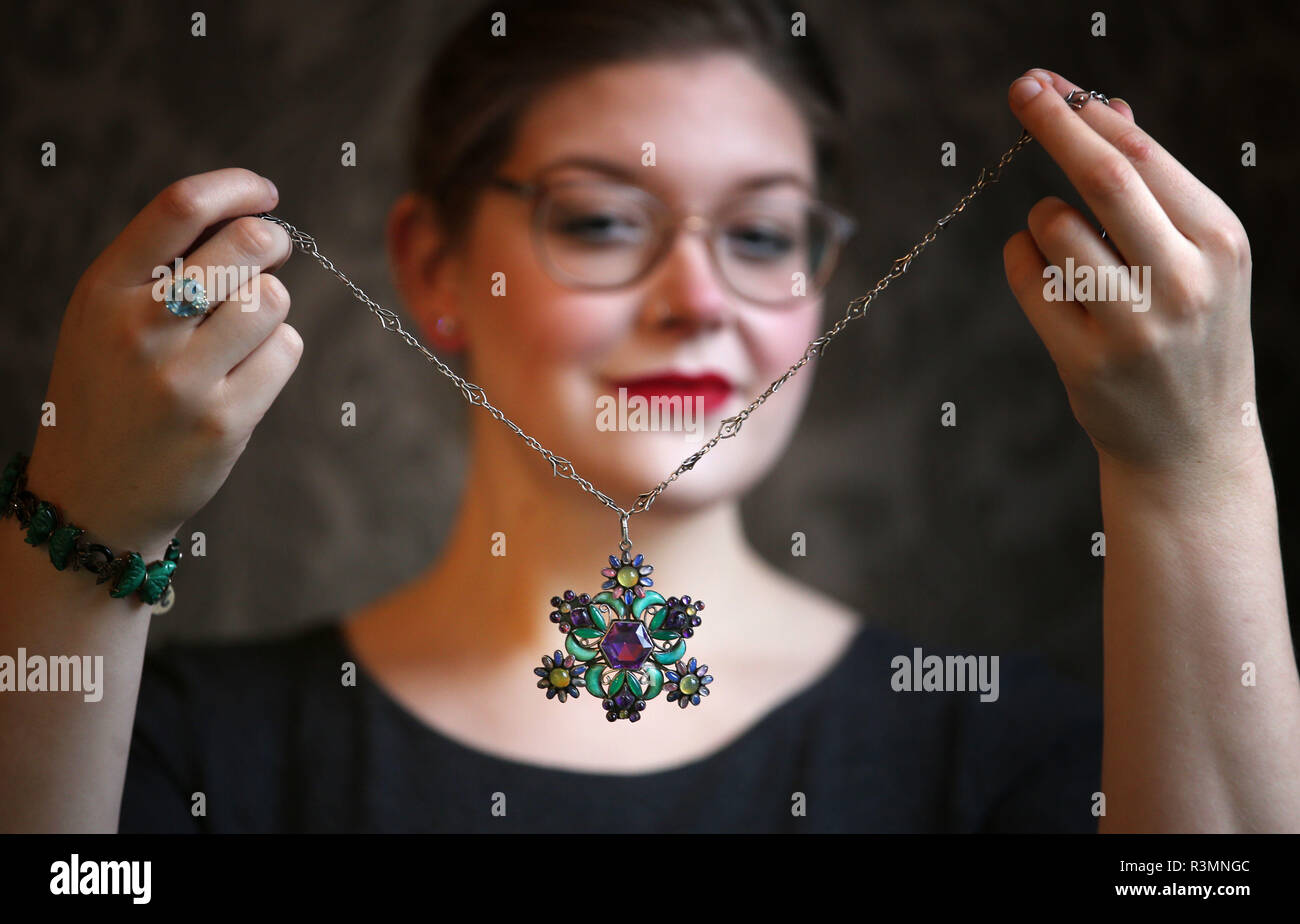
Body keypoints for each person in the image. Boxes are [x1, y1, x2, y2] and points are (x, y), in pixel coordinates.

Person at [2, 0, 1296, 834]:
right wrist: (83, 538)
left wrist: (1194, 465)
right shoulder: (162, 750)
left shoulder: (1022, 749)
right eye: (604, 221)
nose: (697, 299)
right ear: (436, 268)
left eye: (763, 234)